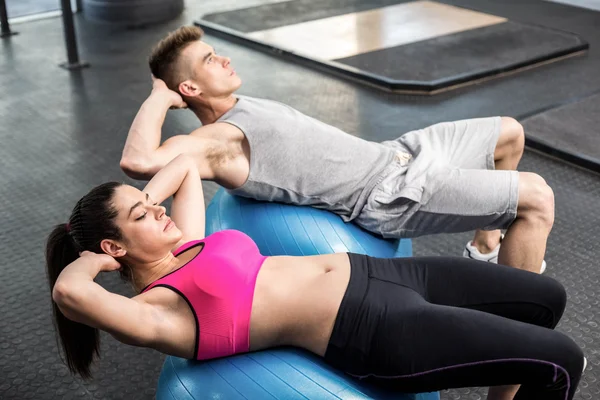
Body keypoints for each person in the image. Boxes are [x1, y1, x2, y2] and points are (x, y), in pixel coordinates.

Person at [48, 155, 583, 400]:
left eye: (151, 203)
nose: (159, 210)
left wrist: (146, 205)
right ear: (115, 247)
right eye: (143, 215)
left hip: (384, 272)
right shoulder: (155, 311)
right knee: (561, 361)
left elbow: (188, 167)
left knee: (546, 298)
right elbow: (69, 291)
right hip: (373, 328)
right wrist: (99, 260)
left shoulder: (185, 241)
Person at [120, 26, 552, 274]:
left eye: (216, 52)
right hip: (387, 195)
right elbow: (137, 161)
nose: (225, 59)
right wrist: (159, 95)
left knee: (509, 134)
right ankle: (526, 335)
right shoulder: (218, 142)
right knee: (536, 197)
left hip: (397, 153)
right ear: (190, 87)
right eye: (210, 60)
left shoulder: (242, 103)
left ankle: (483, 249)